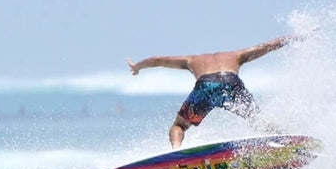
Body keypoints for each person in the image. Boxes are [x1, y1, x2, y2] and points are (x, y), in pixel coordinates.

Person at [126, 33, 303, 148]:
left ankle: (175, 152)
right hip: (231, 83)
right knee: (256, 119)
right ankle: (285, 142)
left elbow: (158, 59)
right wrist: (294, 37)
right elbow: (268, 46)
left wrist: (137, 67)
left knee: (179, 125)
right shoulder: (236, 55)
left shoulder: (191, 60)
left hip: (206, 86)